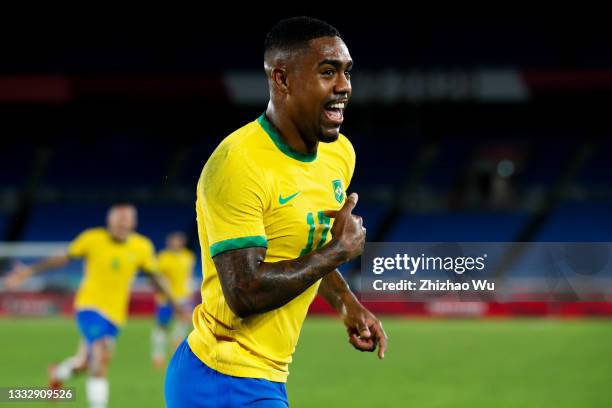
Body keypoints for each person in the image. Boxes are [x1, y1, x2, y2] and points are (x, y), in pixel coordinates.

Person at [165, 17, 387, 407]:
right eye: (327, 72)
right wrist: (338, 251)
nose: (344, 86)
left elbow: (306, 245)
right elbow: (245, 292)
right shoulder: (238, 165)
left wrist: (346, 301)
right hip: (223, 377)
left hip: (262, 376)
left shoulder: (339, 154)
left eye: (346, 72)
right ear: (281, 79)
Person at [6, 203, 181, 408]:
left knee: (85, 362)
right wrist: (30, 271)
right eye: (119, 220)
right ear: (110, 221)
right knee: (100, 356)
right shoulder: (92, 239)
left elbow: (155, 276)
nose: (122, 224)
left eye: (127, 220)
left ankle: (58, 372)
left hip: (115, 315)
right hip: (89, 307)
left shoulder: (142, 247)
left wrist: (175, 302)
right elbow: (62, 258)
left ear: (133, 223)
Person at [151, 231, 195, 368]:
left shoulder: (188, 257)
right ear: (169, 243)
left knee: (182, 324)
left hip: (183, 297)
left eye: (180, 241)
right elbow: (158, 278)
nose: (177, 243)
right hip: (166, 299)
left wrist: (190, 293)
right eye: (175, 241)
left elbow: (189, 276)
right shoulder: (163, 258)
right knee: (162, 327)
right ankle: (158, 355)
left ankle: (175, 351)